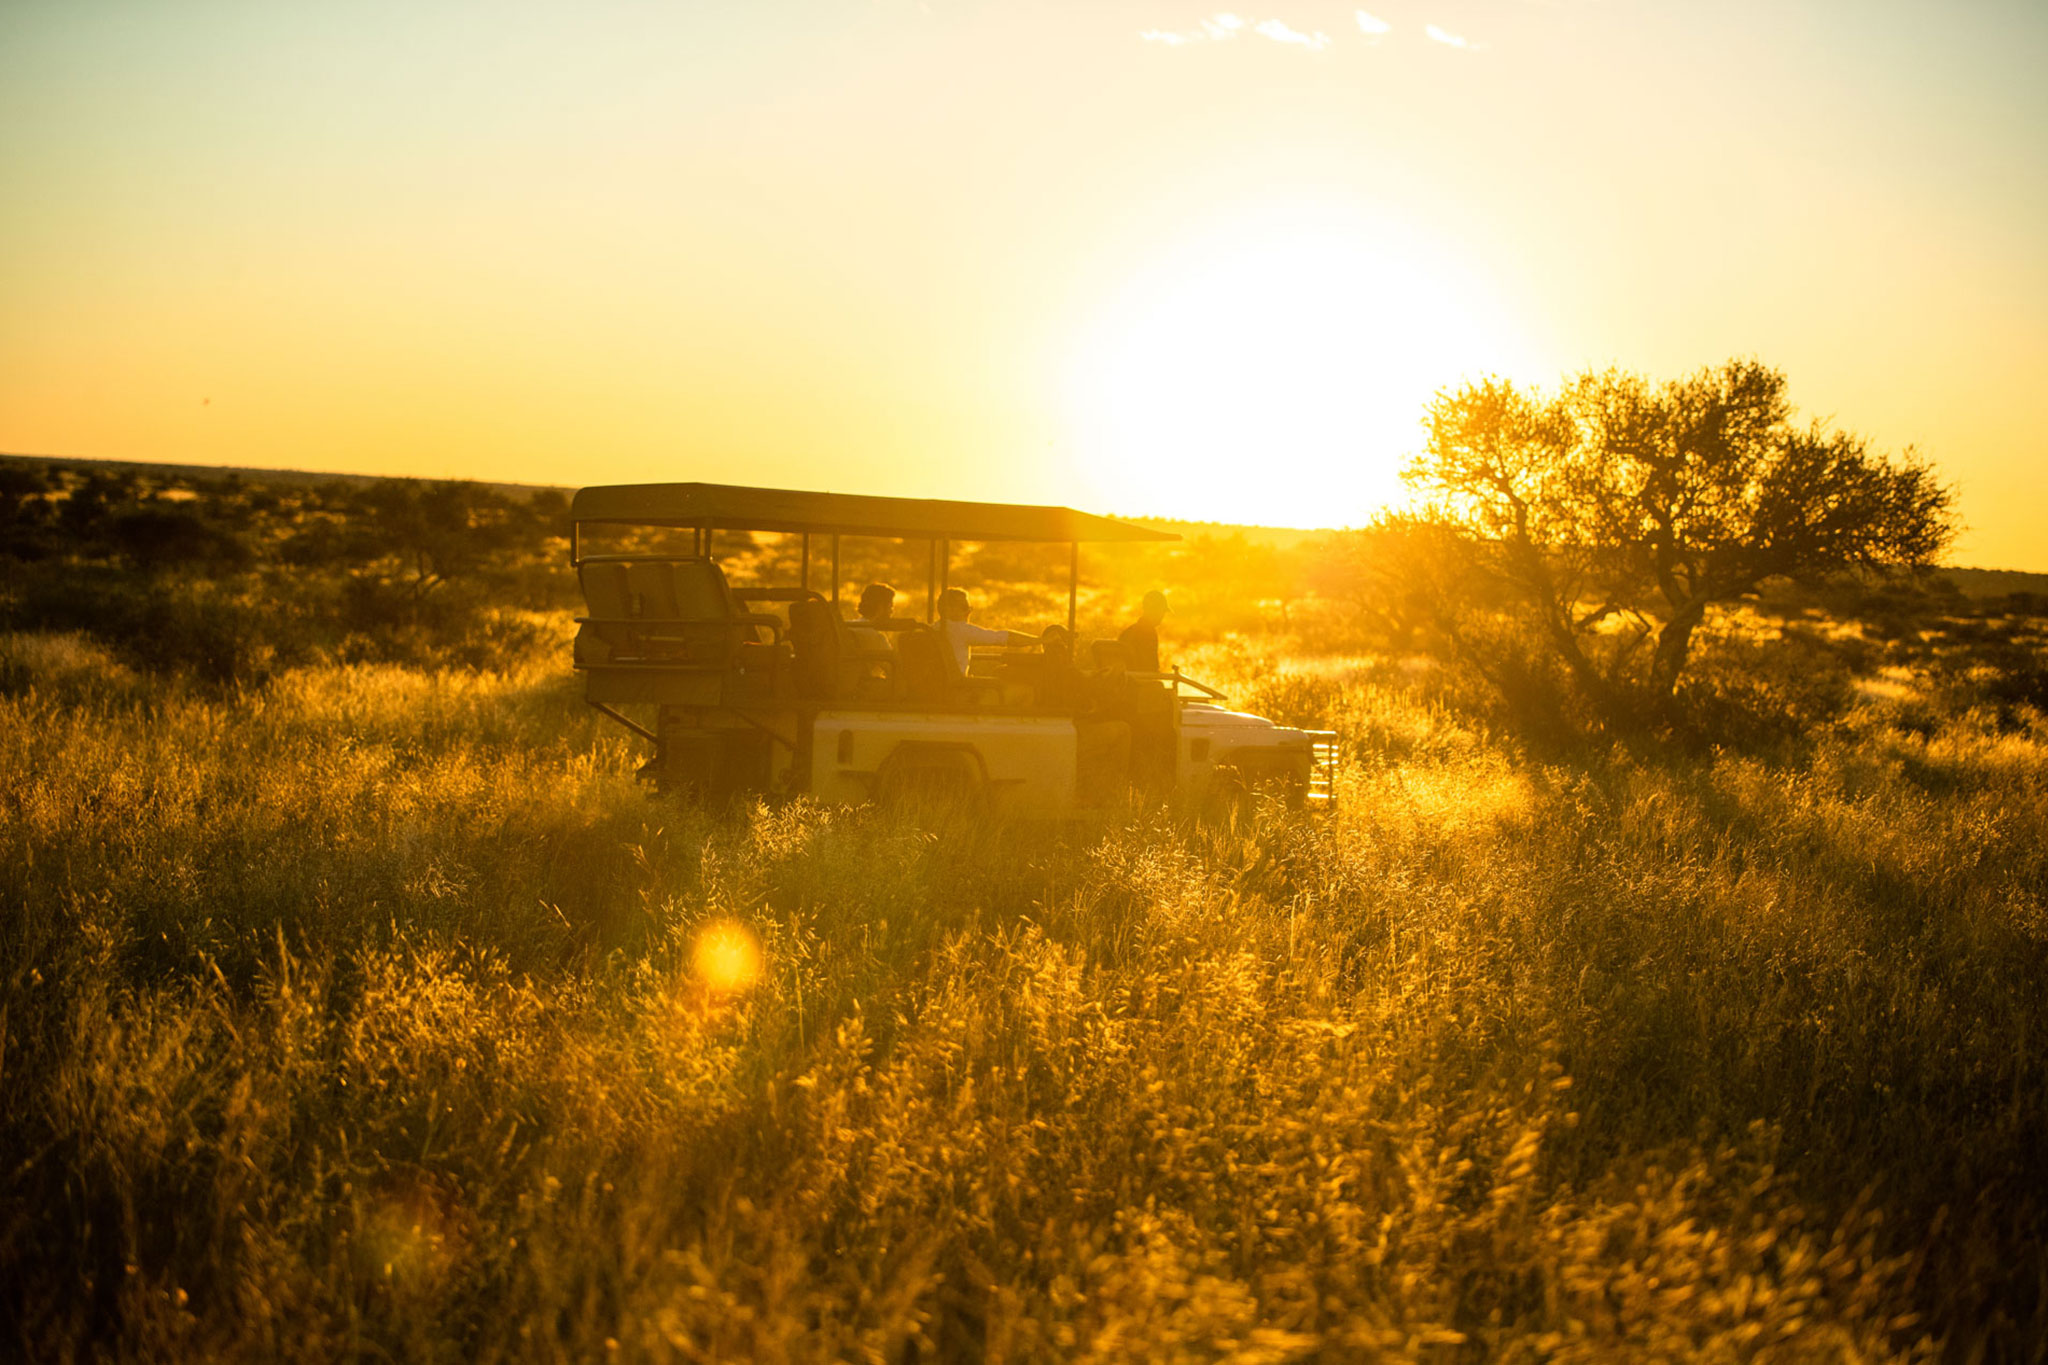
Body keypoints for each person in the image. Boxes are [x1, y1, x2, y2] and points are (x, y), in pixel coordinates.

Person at [936, 587, 1034, 675]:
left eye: (969, 608)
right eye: (964, 607)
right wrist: (1039, 640)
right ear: (948, 609)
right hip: (955, 687)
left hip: (932, 687)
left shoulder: (930, 630)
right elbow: (1005, 638)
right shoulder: (962, 630)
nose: (969, 612)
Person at [1118, 590, 1169, 673]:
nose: (1163, 616)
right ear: (1155, 611)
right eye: (1162, 612)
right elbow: (1152, 668)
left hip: (1125, 683)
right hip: (1141, 683)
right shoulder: (1149, 632)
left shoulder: (1128, 631)